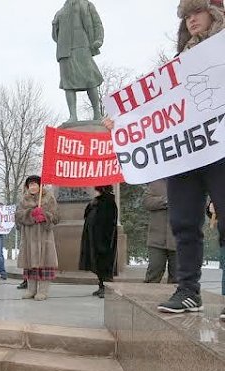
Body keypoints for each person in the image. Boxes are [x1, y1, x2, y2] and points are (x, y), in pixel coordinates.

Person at [104, 0, 225, 315]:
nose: (190, 21)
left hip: (220, 150)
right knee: (183, 222)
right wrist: (124, 123)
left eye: (195, 12)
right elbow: (155, 109)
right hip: (186, 155)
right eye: (185, 16)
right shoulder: (179, 63)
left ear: (214, 13)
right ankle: (188, 290)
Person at [52, 0, 104, 122]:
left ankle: (97, 113)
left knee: (90, 79)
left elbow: (97, 23)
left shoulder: (86, 5)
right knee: (68, 84)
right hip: (65, 51)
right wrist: (54, 24)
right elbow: (55, 37)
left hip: (82, 45)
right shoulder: (60, 12)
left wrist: (99, 39)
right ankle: (73, 115)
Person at [15, 176, 60, 301]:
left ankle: (43, 291)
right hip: (28, 237)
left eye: (35, 184)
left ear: (40, 186)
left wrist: (45, 216)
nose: (33, 187)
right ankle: (31, 290)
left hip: (44, 237)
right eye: (30, 185)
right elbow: (18, 216)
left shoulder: (49, 198)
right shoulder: (23, 199)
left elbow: (56, 216)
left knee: (44, 263)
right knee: (30, 264)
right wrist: (30, 214)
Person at [79, 186, 118, 299]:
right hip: (93, 238)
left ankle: (107, 287)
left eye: (94, 190)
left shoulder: (108, 202)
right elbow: (86, 215)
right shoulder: (96, 202)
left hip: (103, 240)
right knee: (97, 264)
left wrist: (105, 240)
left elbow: (109, 222)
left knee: (104, 264)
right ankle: (101, 285)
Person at [143, 180, 177, 284]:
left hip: (179, 240)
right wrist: (166, 200)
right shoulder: (155, 183)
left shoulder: (186, 182)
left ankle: (175, 298)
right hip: (156, 239)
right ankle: (147, 299)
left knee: (177, 277)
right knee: (153, 273)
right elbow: (146, 202)